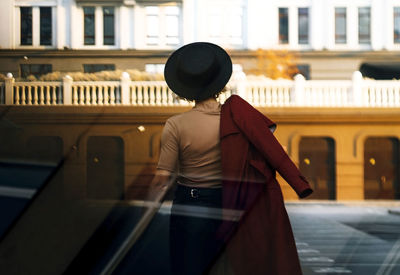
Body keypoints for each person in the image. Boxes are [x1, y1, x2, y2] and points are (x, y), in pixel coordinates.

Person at [153, 42, 313, 275]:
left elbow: (161, 178)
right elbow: (269, 151)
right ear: (219, 83)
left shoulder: (175, 125)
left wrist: (145, 209)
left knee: (189, 267)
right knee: (230, 267)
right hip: (232, 203)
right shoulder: (241, 119)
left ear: (184, 86)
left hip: (190, 206)